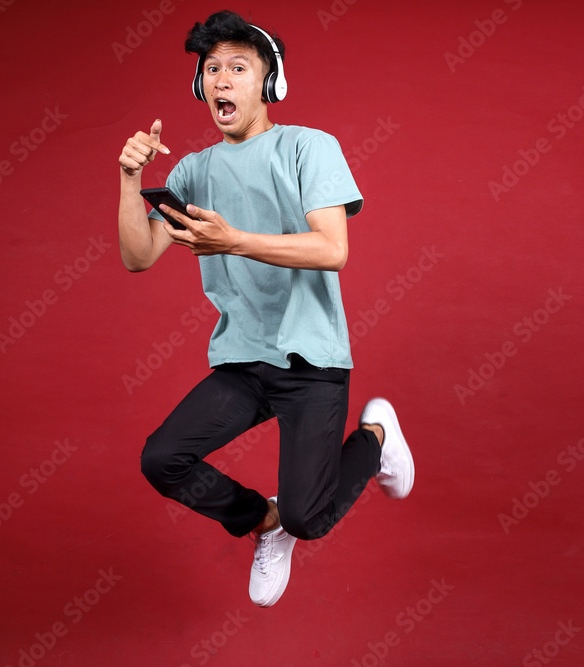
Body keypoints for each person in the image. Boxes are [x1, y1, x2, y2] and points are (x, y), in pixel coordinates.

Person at [117, 10, 414, 607]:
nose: (222, 79)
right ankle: (264, 521)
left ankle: (376, 437)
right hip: (244, 359)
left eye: (238, 67)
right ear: (201, 86)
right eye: (212, 69)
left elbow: (332, 250)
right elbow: (138, 256)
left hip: (311, 359)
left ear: (269, 82)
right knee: (163, 458)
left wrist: (234, 241)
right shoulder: (192, 171)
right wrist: (129, 179)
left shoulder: (308, 147)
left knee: (312, 517)